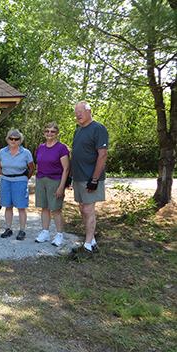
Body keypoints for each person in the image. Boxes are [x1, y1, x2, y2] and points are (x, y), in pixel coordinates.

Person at [69, 101, 109, 260]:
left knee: (88, 209)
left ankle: (87, 247)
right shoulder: (78, 131)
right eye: (76, 112)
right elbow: (75, 155)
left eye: (81, 111)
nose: (78, 115)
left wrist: (94, 179)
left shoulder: (98, 128)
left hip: (90, 178)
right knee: (82, 207)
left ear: (89, 111)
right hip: (78, 177)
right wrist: (70, 176)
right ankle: (91, 242)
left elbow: (103, 155)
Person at [34, 123, 70, 247]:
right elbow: (38, 165)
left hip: (55, 180)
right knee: (44, 207)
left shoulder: (61, 148)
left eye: (53, 131)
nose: (50, 133)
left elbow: (66, 169)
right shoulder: (40, 147)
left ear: (57, 133)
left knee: (56, 209)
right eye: (47, 131)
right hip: (41, 180)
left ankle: (59, 235)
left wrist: (61, 186)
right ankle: (45, 232)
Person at [0, 129, 35, 240]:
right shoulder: (2, 152)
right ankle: (8, 228)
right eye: (11, 138)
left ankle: (22, 230)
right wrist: (6, 175)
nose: (13, 141)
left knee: (21, 207)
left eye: (16, 139)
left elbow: (32, 168)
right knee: (7, 206)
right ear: (7, 139)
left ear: (20, 140)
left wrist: (24, 178)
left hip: (20, 181)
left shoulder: (26, 153)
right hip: (6, 181)